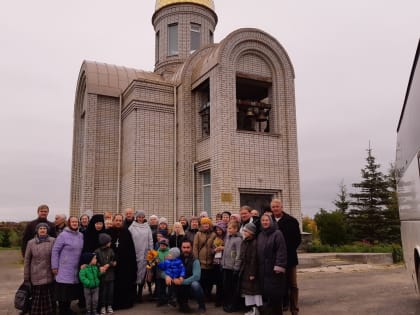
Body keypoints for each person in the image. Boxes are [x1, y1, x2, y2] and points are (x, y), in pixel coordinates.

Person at [271, 198, 301, 315]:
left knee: (292, 284)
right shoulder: (269, 221)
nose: (275, 209)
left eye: (277, 206)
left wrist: (286, 252)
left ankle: (294, 309)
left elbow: (297, 240)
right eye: (273, 207)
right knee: (278, 285)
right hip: (274, 260)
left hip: (290, 259)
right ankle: (280, 308)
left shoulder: (291, 221)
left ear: (281, 207)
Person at [51, 216, 84, 315]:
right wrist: (54, 266)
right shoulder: (63, 235)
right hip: (64, 267)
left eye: (76, 222)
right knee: (63, 292)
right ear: (69, 223)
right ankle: (62, 311)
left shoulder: (81, 235)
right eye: (72, 222)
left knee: (70, 291)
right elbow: (55, 251)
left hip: (75, 268)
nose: (75, 223)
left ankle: (67, 309)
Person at [257, 214, 287, 315]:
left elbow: (281, 251)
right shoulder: (261, 235)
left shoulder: (277, 233)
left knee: (275, 296)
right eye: (263, 220)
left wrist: (279, 266)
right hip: (263, 270)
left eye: (267, 220)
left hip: (274, 270)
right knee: (266, 295)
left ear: (271, 222)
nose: (265, 222)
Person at [23, 222, 56, 315]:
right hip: (36, 276)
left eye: (44, 228)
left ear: (47, 230)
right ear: (37, 230)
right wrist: (26, 277)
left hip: (49, 274)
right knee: (36, 300)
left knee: (49, 300)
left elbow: (56, 256)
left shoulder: (53, 241)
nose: (42, 230)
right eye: (40, 228)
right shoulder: (31, 243)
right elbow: (27, 260)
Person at [108, 214, 137, 309]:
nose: (118, 222)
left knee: (124, 283)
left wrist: (133, 265)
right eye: (116, 220)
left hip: (125, 264)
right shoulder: (108, 232)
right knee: (113, 285)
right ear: (113, 221)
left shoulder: (126, 232)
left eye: (120, 220)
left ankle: (125, 303)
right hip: (112, 263)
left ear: (122, 222)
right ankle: (112, 303)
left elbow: (131, 249)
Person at [174, 239, 207, 314]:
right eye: (184, 247)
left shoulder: (195, 260)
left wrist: (182, 282)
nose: (186, 249)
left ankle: (202, 305)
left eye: (188, 247)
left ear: (191, 248)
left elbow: (196, 276)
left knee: (195, 285)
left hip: (190, 283)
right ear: (181, 248)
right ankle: (181, 303)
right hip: (181, 284)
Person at [129, 210, 153, 303]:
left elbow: (150, 240)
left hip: (144, 253)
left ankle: (139, 294)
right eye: (139, 217)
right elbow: (129, 239)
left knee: (143, 274)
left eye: (142, 217)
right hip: (134, 253)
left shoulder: (147, 227)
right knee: (135, 273)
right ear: (136, 217)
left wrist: (151, 254)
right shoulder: (132, 227)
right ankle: (133, 294)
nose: (141, 218)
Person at [239, 222, 262, 315]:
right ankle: (251, 309)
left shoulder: (254, 242)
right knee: (248, 291)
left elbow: (254, 259)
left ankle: (257, 309)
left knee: (255, 291)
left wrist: (252, 273)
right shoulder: (246, 241)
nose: (244, 232)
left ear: (251, 232)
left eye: (246, 231)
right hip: (246, 269)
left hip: (251, 270)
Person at [221, 221, 242, 312]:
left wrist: (236, 267)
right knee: (226, 287)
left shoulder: (238, 239)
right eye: (228, 228)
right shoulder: (228, 238)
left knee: (233, 288)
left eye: (231, 228)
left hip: (232, 268)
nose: (228, 230)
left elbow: (238, 254)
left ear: (236, 229)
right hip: (226, 266)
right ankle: (228, 303)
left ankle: (233, 305)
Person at [193, 217, 216, 299]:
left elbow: (215, 246)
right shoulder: (198, 234)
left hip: (210, 261)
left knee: (209, 280)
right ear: (201, 225)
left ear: (210, 224)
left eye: (207, 223)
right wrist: (196, 259)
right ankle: (201, 295)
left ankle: (208, 294)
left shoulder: (213, 234)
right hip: (201, 262)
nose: (206, 225)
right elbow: (195, 247)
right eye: (204, 224)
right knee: (202, 279)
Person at [94, 233, 117, 315]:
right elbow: (94, 262)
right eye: (109, 241)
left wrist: (109, 264)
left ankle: (109, 306)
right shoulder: (97, 251)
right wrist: (99, 266)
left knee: (110, 292)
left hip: (111, 276)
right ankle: (103, 307)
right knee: (102, 292)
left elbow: (114, 260)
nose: (110, 243)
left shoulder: (111, 250)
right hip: (102, 276)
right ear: (105, 242)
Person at [212, 221, 226, 307]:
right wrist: (214, 250)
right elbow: (211, 249)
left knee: (223, 282)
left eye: (220, 230)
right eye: (217, 230)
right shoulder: (215, 238)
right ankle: (218, 300)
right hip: (216, 262)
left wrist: (223, 248)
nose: (218, 231)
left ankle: (223, 299)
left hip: (224, 263)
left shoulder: (226, 238)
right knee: (218, 282)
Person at [155, 238, 170, 306]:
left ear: (166, 246)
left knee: (166, 286)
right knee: (159, 287)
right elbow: (155, 260)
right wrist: (156, 261)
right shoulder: (157, 252)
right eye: (161, 245)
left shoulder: (169, 252)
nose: (162, 246)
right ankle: (160, 300)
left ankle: (166, 299)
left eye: (164, 245)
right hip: (159, 272)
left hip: (167, 272)